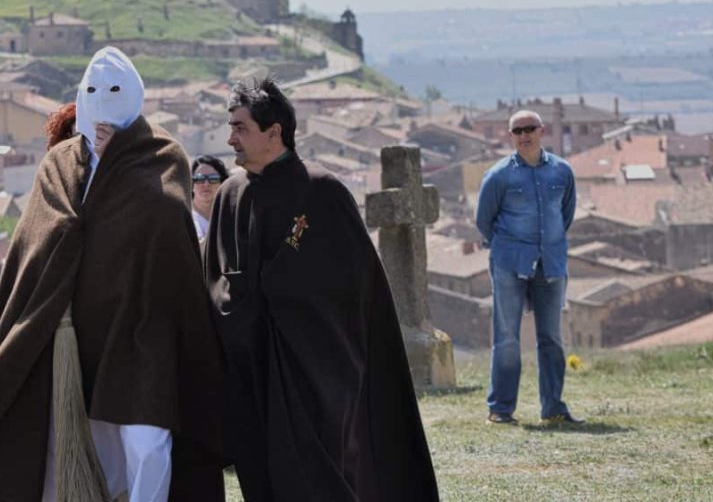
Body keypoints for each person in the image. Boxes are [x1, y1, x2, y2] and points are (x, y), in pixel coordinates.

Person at [0, 46, 224, 502]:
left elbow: (165, 224)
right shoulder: (61, 163)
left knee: (146, 446)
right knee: (78, 454)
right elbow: (40, 239)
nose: (103, 103)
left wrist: (116, 161)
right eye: (94, 91)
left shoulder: (164, 157)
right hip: (70, 336)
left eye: (115, 91)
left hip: (143, 334)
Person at [205, 77, 439, 502]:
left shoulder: (321, 193)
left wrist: (281, 290)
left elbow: (355, 290)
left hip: (314, 375)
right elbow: (215, 279)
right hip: (250, 374)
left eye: (241, 128)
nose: (230, 138)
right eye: (231, 126)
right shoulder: (230, 196)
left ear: (274, 132)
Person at [475, 109, 582, 425]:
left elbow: (566, 214)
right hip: (509, 263)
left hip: (551, 263)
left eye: (529, 129)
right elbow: (484, 221)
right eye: (517, 130)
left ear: (542, 130)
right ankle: (500, 409)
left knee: (551, 337)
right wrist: (511, 245)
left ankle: (553, 408)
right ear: (511, 136)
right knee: (507, 337)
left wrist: (545, 242)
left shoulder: (563, 172)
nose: (524, 135)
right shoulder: (498, 176)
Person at [190, 155, 229, 241]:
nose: (206, 184)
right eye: (199, 178)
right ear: (192, 184)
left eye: (213, 178)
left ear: (222, 183)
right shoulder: (183, 217)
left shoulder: (230, 216)